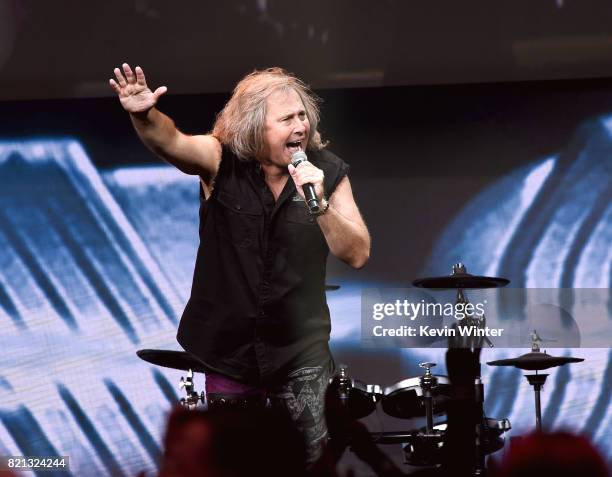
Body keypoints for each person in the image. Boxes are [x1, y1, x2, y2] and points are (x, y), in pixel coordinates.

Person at [109, 63, 370, 464]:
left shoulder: (328, 173)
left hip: (299, 350)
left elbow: (356, 253)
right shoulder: (220, 160)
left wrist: (318, 204)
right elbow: (171, 141)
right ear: (254, 127)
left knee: (308, 463)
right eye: (286, 119)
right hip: (228, 349)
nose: (299, 126)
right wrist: (144, 114)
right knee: (233, 464)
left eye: (302, 115)